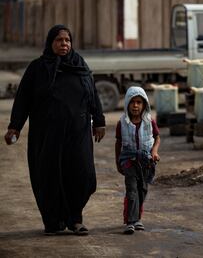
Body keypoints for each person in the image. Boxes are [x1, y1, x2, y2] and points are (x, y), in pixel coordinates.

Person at [3, 24, 106, 236]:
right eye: (59, 40)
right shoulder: (37, 68)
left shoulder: (80, 64)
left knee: (82, 174)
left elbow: (91, 93)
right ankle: (53, 221)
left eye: (67, 40)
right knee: (48, 176)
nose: (64, 44)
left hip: (77, 133)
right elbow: (23, 99)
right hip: (47, 134)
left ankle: (75, 219)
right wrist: (15, 126)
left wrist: (99, 120)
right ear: (51, 43)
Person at [115, 86, 160, 234]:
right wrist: (118, 162)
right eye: (132, 102)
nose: (135, 105)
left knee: (142, 190)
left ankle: (138, 219)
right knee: (132, 190)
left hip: (146, 162)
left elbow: (157, 138)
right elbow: (118, 143)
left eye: (139, 102)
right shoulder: (122, 123)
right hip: (129, 162)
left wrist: (154, 151)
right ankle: (130, 221)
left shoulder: (149, 122)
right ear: (127, 103)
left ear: (144, 104)